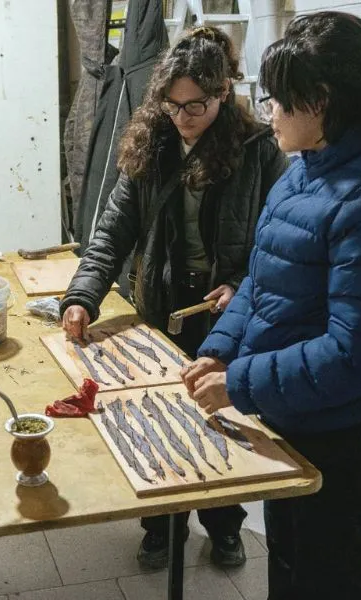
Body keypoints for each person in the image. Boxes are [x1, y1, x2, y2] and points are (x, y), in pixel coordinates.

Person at [183, 12, 361, 600]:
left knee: (333, 579)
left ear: (322, 100)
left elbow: (360, 353)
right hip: (298, 411)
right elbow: (262, 280)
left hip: (350, 435)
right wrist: (221, 349)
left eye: (280, 99)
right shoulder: (306, 168)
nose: (270, 112)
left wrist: (241, 382)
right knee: (292, 563)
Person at [60, 27, 288, 570]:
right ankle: (162, 527)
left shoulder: (257, 150)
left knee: (219, 418)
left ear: (223, 93)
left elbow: (275, 240)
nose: (183, 116)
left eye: (196, 105)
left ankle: (224, 524)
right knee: (154, 416)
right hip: (160, 303)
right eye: (173, 104)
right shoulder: (151, 143)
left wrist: (240, 284)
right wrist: (83, 296)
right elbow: (112, 232)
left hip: (223, 309)